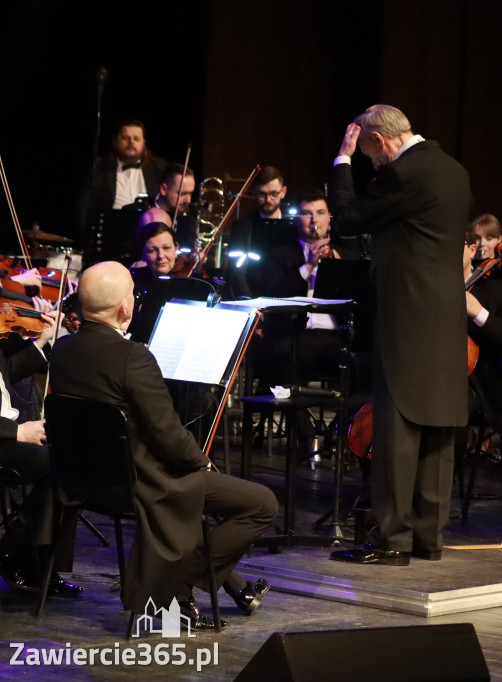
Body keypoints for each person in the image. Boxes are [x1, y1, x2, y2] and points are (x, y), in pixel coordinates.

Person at [48, 262, 278, 628]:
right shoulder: (133, 357)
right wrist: (201, 462)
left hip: (82, 480)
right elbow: (170, 436)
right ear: (126, 308)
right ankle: (177, 589)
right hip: (141, 483)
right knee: (262, 503)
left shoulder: (62, 350)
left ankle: (219, 588)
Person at [327, 104, 471, 566]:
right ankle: (428, 538)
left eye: (370, 155)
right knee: (437, 424)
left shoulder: (404, 173)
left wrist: (343, 161)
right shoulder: (454, 170)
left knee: (397, 426)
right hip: (446, 314)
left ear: (379, 141)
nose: (373, 164)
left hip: (407, 315)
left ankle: (392, 540)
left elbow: (348, 218)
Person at [0, 300, 81, 596]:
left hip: (7, 434)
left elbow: (6, 372)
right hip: (5, 437)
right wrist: (16, 431)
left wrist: (42, 340)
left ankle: (31, 561)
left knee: (68, 460)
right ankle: (20, 556)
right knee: (66, 465)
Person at [258, 189, 343, 387]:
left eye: (321, 213)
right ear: (297, 219)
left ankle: (349, 418)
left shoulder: (342, 254)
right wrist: (308, 266)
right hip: (296, 334)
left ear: (329, 218)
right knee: (284, 356)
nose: (315, 220)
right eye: (307, 214)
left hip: (334, 335)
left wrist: (336, 263)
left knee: (365, 360)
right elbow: (274, 295)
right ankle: (299, 417)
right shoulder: (278, 255)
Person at [464, 227, 502, 424]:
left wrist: (478, 312)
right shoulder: (433, 290)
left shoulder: (499, 291)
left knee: (449, 407)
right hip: (434, 377)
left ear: (472, 250)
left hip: (480, 386)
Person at [228, 166, 289, 298]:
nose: (268, 200)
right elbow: (237, 271)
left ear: (283, 192)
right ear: (254, 193)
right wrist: (249, 302)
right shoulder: (242, 227)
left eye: (273, 194)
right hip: (253, 298)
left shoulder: (293, 226)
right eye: (262, 194)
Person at [85, 120, 167, 213]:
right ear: (115, 141)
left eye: (136, 139)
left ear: (143, 143)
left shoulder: (160, 168)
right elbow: (83, 208)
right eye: (125, 138)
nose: (131, 142)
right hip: (113, 224)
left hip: (149, 224)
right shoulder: (99, 169)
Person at [139, 164, 198, 253]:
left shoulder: (190, 216)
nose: (188, 200)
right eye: (182, 194)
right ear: (163, 189)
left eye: (190, 194)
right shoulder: (142, 213)